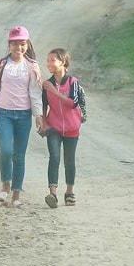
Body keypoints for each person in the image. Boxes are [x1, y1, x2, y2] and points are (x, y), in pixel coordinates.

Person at [0, 26, 45, 208]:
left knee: (19, 155)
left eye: (22, 44)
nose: (19, 48)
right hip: (4, 114)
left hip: (24, 116)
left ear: (27, 44)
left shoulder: (32, 66)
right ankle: (5, 186)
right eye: (15, 44)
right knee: (6, 150)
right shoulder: (0, 65)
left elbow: (35, 93)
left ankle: (16, 194)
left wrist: (38, 116)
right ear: (9, 45)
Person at [40, 48, 87, 207]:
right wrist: (43, 122)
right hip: (53, 127)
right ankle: (52, 193)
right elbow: (43, 106)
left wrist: (54, 91)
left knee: (69, 160)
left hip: (72, 128)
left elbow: (72, 103)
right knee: (54, 157)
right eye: (48, 61)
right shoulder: (47, 84)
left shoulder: (72, 82)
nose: (49, 64)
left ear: (63, 62)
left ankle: (69, 191)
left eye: (53, 60)